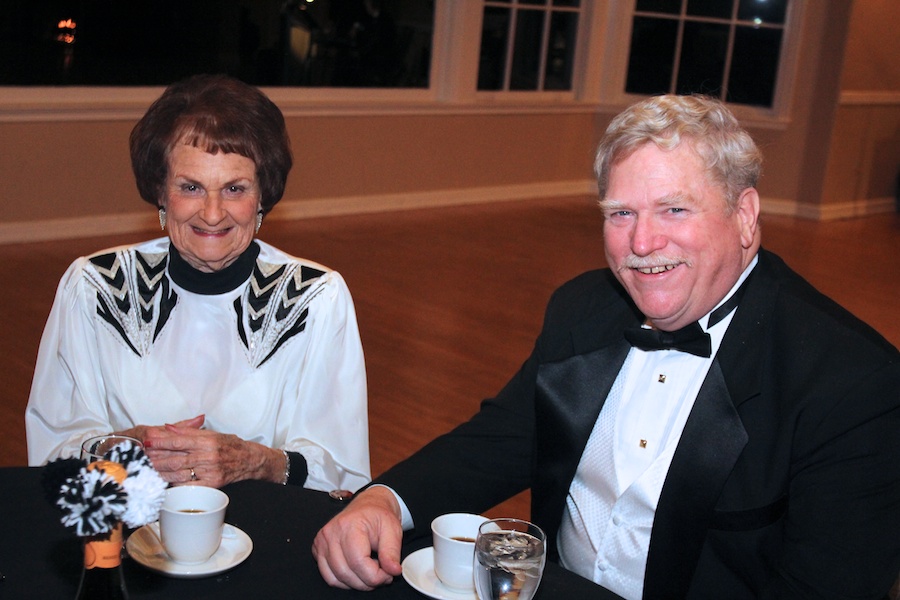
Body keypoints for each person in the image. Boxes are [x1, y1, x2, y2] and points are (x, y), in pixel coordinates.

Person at [312, 95, 900, 598]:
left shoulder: (852, 383)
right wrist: (385, 500)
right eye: (622, 213)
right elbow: (506, 437)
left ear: (745, 216)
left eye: (674, 208)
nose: (643, 242)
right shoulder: (583, 308)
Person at [25, 74, 370, 493]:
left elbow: (343, 472)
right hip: (126, 528)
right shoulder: (95, 289)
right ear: (160, 192)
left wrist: (259, 463)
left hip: (270, 534)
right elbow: (51, 451)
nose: (212, 213)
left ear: (263, 196)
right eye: (191, 187)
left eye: (234, 188)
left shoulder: (316, 299)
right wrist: (120, 448)